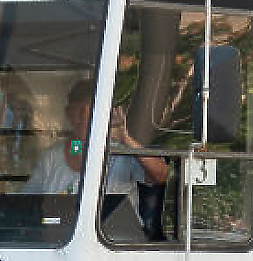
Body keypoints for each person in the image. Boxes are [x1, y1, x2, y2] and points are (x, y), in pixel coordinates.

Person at [23, 80, 167, 205]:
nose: (84, 119)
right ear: (68, 113)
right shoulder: (52, 157)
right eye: (78, 112)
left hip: (113, 234)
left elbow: (161, 176)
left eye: (90, 112)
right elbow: (27, 199)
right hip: (61, 234)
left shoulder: (122, 152)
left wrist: (126, 140)